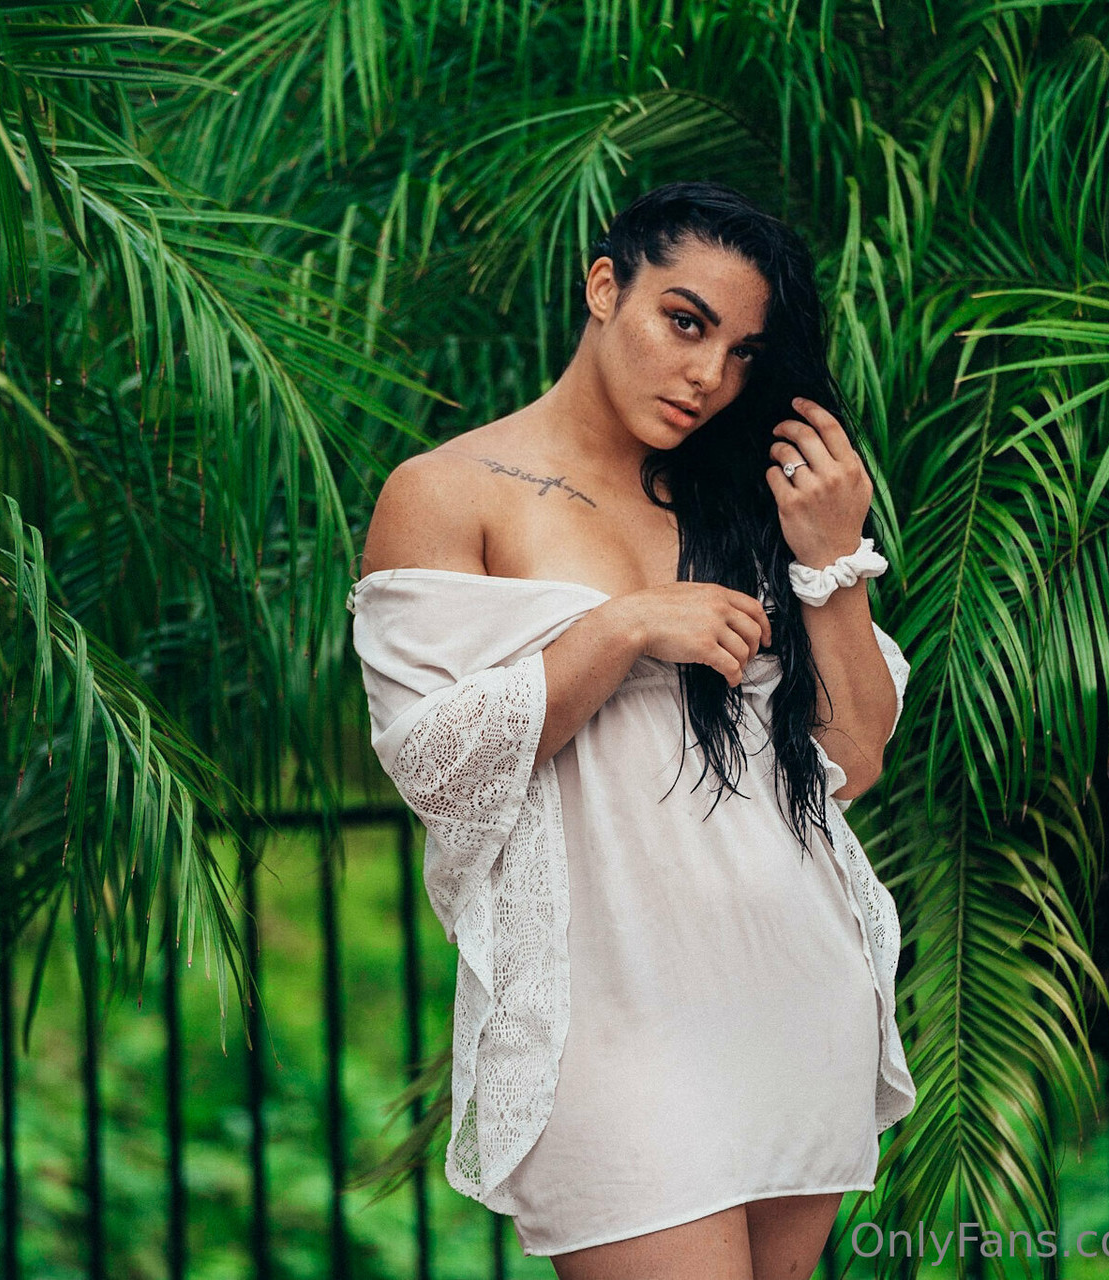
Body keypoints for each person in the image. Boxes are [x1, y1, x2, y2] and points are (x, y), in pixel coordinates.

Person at [348, 181, 914, 1280]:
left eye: (743, 353)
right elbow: (438, 769)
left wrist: (831, 558)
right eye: (685, 322)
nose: (709, 375)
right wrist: (626, 627)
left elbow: (854, 757)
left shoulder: (739, 498)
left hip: (793, 992)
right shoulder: (447, 491)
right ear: (606, 286)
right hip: (605, 1020)